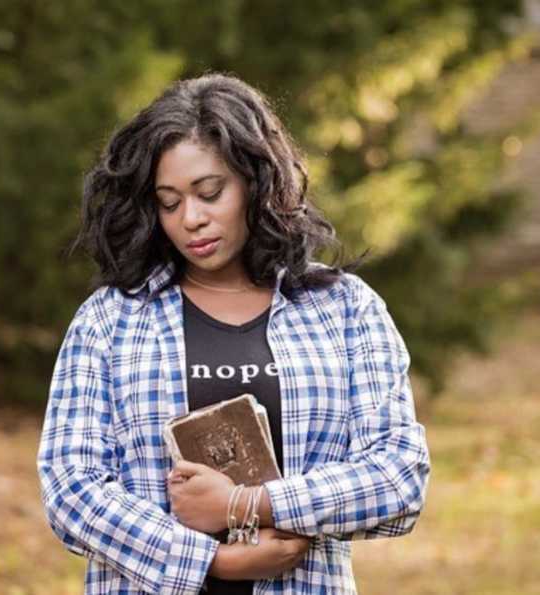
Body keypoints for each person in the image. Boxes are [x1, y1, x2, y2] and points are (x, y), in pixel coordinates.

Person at [36, 71, 431, 594]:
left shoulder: (344, 310)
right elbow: (71, 488)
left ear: (256, 181)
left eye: (209, 192)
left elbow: (399, 474)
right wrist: (209, 561)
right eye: (170, 202)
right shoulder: (110, 321)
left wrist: (248, 504)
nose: (191, 219)